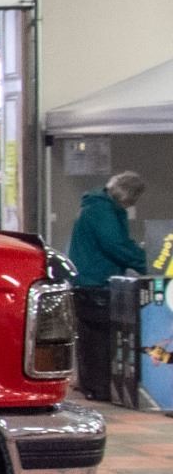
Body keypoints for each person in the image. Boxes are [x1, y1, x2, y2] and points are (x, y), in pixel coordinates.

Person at [68, 171, 150, 401]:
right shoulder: (103, 211)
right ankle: (99, 387)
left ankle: (90, 385)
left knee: (89, 337)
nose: (133, 204)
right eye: (134, 198)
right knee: (100, 339)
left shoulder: (96, 206)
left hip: (85, 281)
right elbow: (116, 245)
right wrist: (148, 263)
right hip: (96, 282)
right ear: (127, 194)